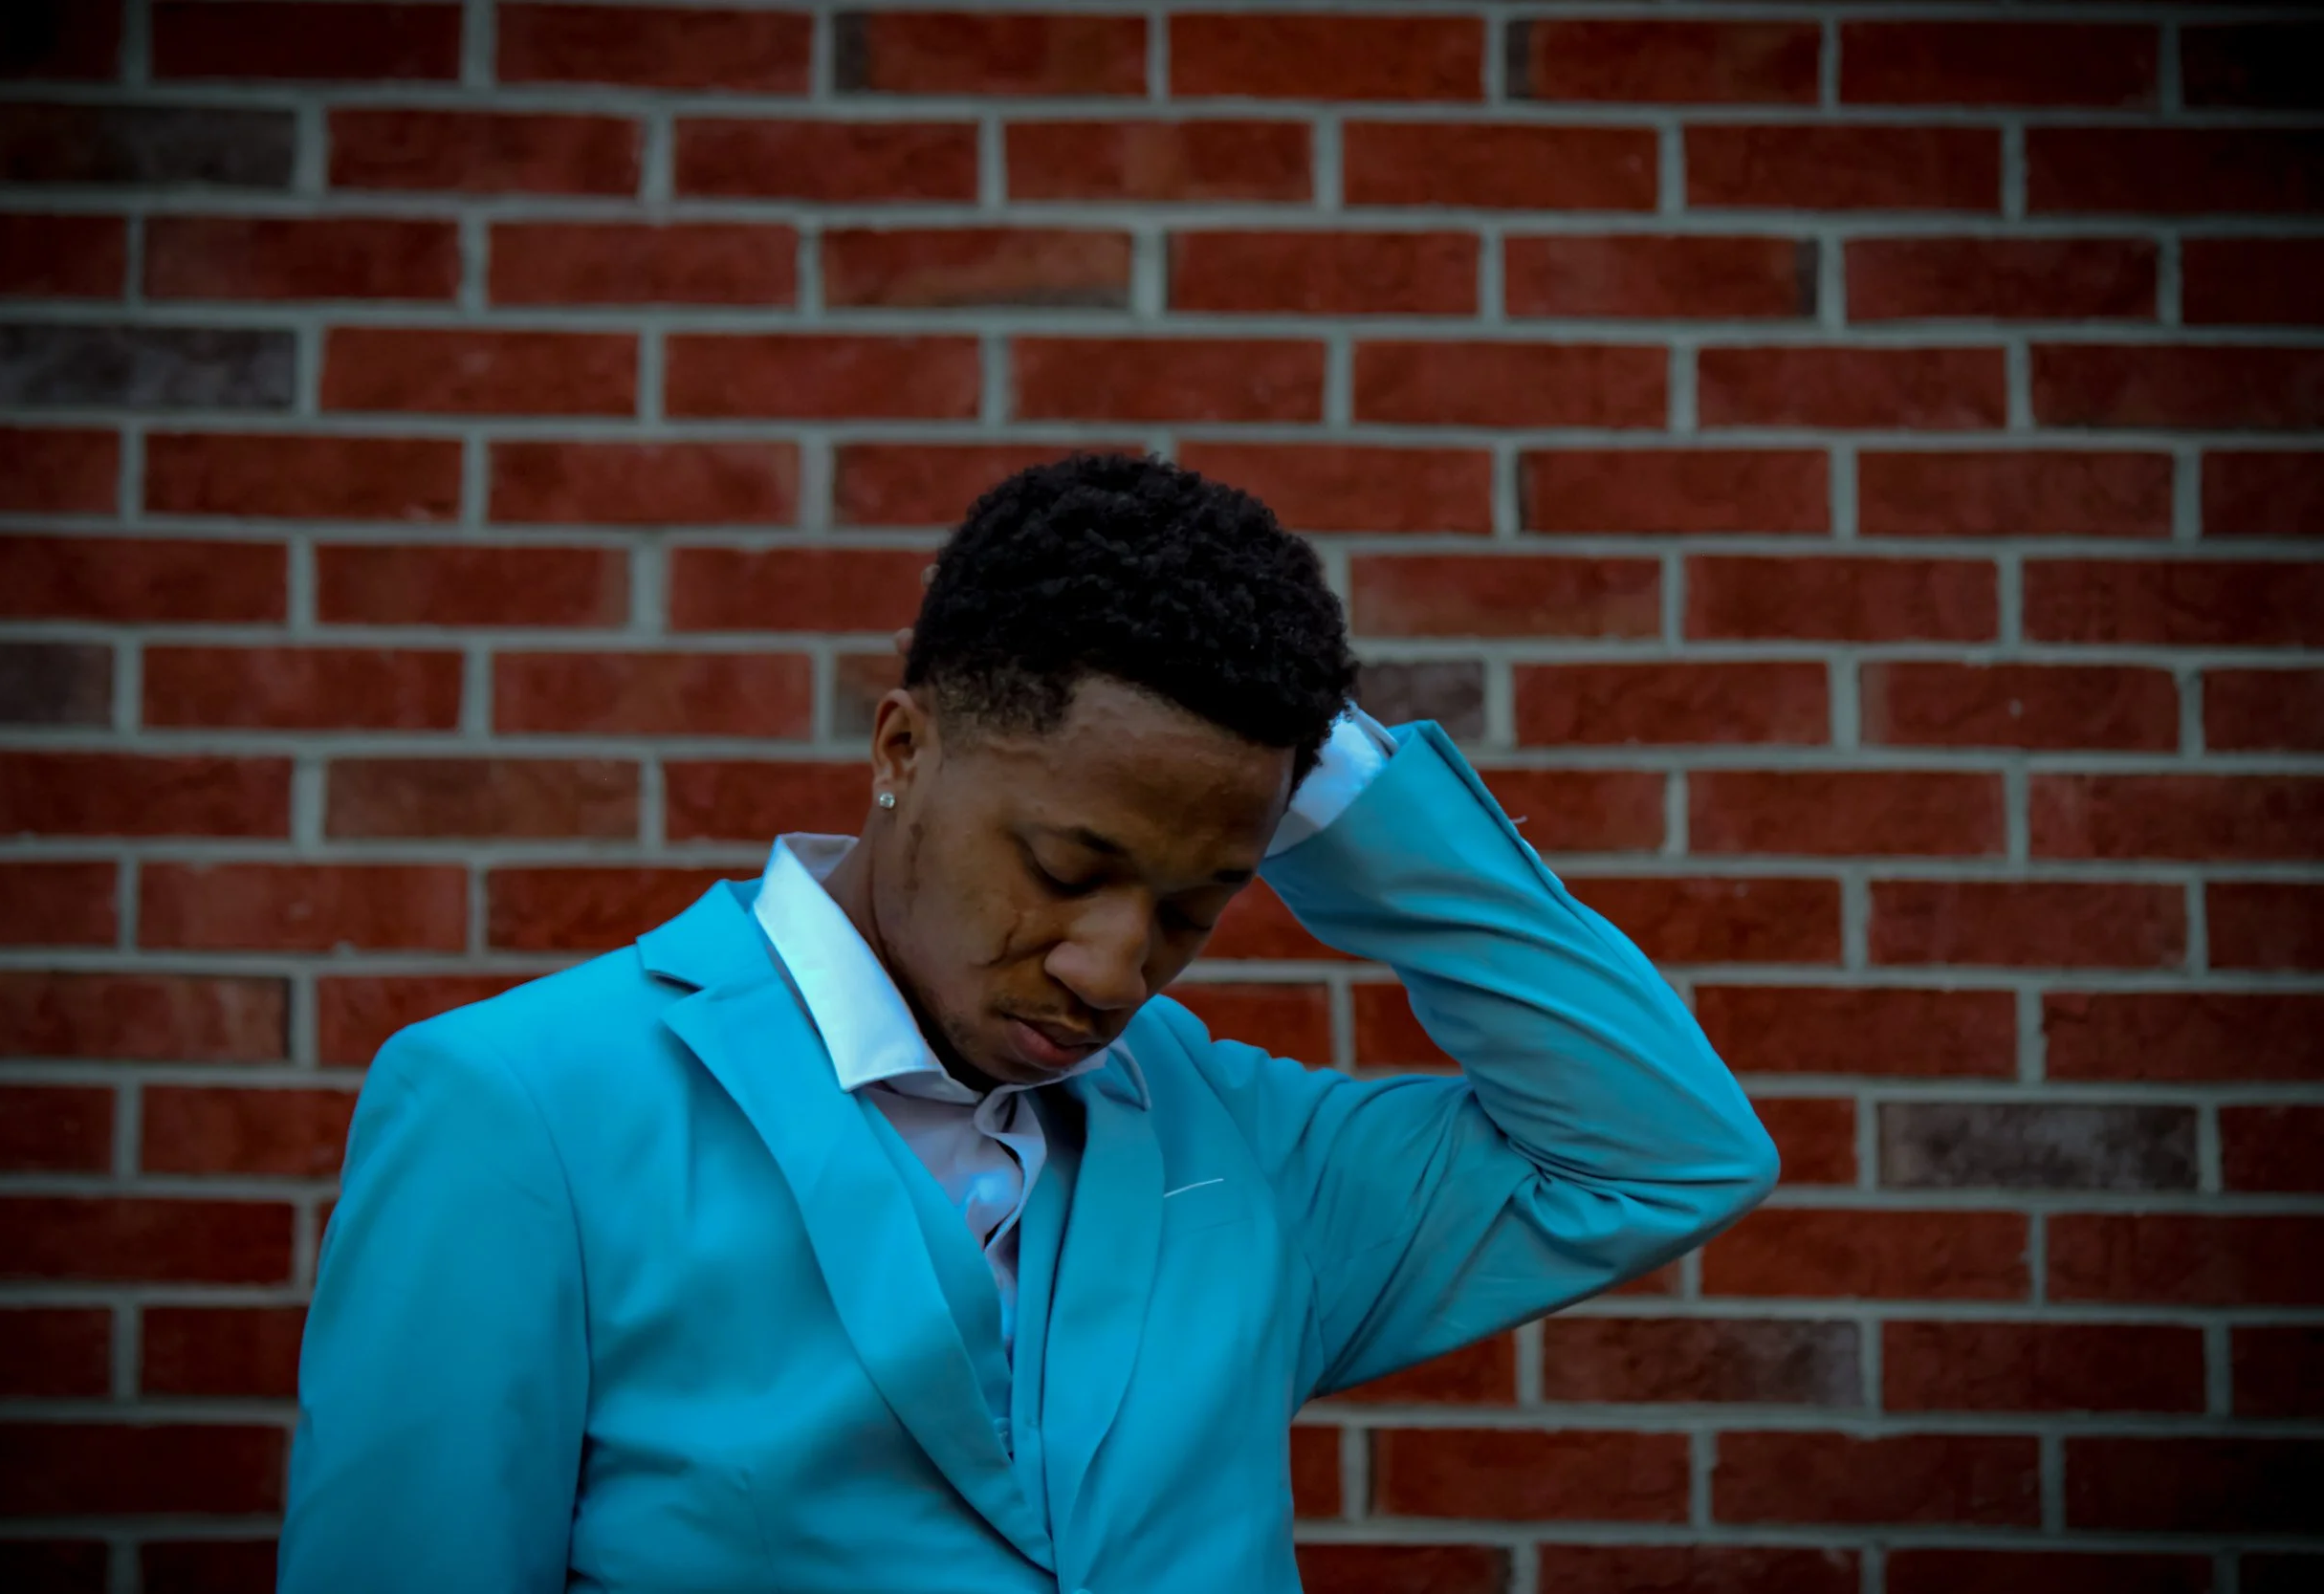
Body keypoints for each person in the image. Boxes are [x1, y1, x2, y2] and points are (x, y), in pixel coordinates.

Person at [278, 453, 1778, 1593]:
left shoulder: (1241, 1148)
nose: (1119, 967)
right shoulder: (521, 1104)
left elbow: (1666, 1154)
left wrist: (1347, 793)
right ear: (901, 746)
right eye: (1068, 869)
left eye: (1200, 902)